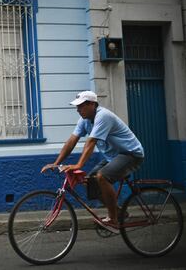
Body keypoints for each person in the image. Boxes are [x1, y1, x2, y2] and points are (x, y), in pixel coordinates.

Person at [41, 91, 144, 233]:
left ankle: (113, 220)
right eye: (77, 107)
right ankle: (119, 212)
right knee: (90, 183)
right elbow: (71, 141)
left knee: (102, 177)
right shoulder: (84, 120)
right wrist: (56, 162)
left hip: (131, 154)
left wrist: (79, 165)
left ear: (92, 104)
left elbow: (91, 142)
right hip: (112, 158)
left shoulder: (103, 116)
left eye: (81, 106)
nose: (78, 110)